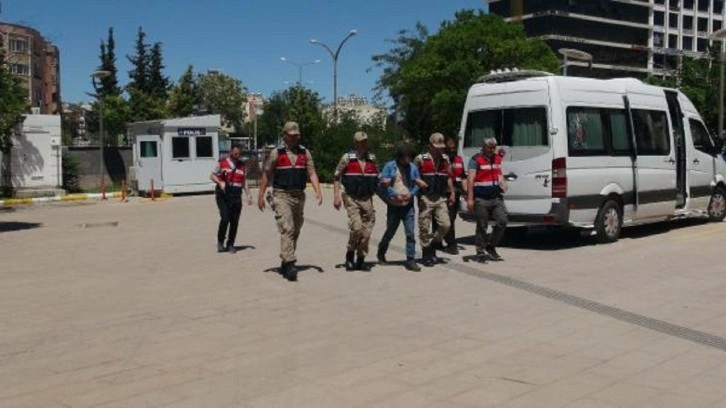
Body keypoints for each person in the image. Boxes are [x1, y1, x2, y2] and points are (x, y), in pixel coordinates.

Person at [258, 121, 323, 282]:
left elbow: (312, 172)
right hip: (281, 195)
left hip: (299, 196)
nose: (294, 138)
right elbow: (266, 174)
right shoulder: (276, 153)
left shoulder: (304, 153)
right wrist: (260, 195)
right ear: (285, 136)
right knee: (287, 228)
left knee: (296, 229)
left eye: (296, 135)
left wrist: (318, 190)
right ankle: (290, 264)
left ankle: (285, 259)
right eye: (291, 135)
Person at [333, 131, 379, 272]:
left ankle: (360, 259)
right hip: (352, 198)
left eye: (365, 141)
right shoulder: (347, 158)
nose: (364, 144)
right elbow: (336, 176)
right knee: (357, 227)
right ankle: (349, 255)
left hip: (367, 199)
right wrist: (336, 196)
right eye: (361, 142)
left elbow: (378, 176)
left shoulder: (372, 159)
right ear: (356, 143)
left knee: (366, 232)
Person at [377, 144, 422, 272]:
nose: (407, 161)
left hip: (408, 206)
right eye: (405, 158)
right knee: (390, 231)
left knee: (410, 233)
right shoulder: (389, 166)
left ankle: (410, 259)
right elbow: (383, 183)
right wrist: (394, 195)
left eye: (409, 158)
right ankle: (381, 252)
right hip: (394, 205)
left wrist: (411, 194)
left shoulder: (413, 167)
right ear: (400, 157)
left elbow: (417, 184)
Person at [414, 133, 456, 267]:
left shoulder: (445, 159)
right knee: (424, 227)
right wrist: (418, 190)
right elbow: (412, 176)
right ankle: (426, 253)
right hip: (425, 197)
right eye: (437, 147)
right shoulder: (420, 159)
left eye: (441, 147)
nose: (440, 149)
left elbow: (449, 177)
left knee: (446, 224)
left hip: (440, 197)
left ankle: (434, 244)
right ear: (430, 146)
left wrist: (452, 193)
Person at [466, 137, 508, 263]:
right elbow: (470, 180)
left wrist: (503, 182)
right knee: (482, 226)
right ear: (483, 147)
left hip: (496, 197)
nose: (491, 150)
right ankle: (480, 252)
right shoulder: (475, 160)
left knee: (503, 221)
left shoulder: (497, 158)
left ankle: (491, 246)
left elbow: (499, 173)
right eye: (489, 147)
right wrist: (470, 199)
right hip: (481, 199)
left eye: (493, 147)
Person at [210, 144, 252, 253]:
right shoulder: (222, 162)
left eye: (239, 154)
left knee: (234, 221)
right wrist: (220, 182)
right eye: (235, 153)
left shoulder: (242, 165)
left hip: (236, 196)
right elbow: (212, 175)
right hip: (223, 195)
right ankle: (220, 242)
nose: (237, 155)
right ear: (230, 152)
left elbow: (244, 181)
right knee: (225, 218)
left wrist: (249, 195)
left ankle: (230, 244)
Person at [433, 135, 467, 255]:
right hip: (443, 192)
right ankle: (451, 244)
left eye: (454, 147)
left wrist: (466, 192)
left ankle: (438, 241)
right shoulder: (441, 160)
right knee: (444, 219)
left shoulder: (458, 159)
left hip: (456, 192)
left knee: (451, 218)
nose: (452, 149)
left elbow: (463, 176)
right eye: (450, 147)